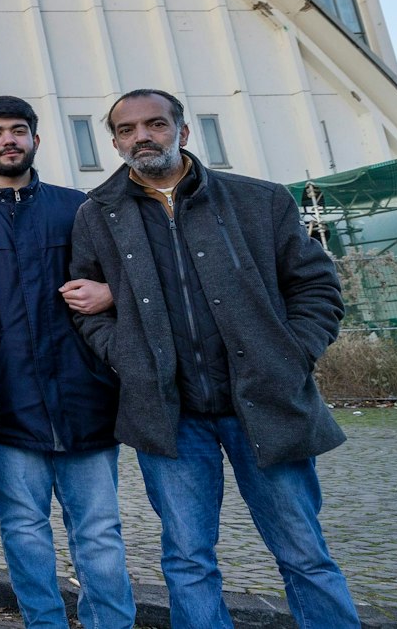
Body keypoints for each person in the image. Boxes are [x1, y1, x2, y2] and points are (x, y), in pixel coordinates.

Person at [71, 89, 357, 628]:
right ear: (114, 142)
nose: (142, 137)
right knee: (187, 558)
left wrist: (292, 355)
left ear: (182, 131)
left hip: (265, 402)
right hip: (169, 413)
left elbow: (317, 287)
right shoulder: (97, 216)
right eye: (128, 130)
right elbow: (87, 305)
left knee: (303, 552)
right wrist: (126, 357)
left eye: (155, 124)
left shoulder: (259, 201)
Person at [0, 99, 133, 629]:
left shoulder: (78, 208)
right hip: (7, 400)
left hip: (85, 394)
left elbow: (124, 281)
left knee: (100, 532)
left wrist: (113, 293)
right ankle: (45, 624)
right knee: (22, 529)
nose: (9, 141)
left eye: (19, 131)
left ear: (36, 140)